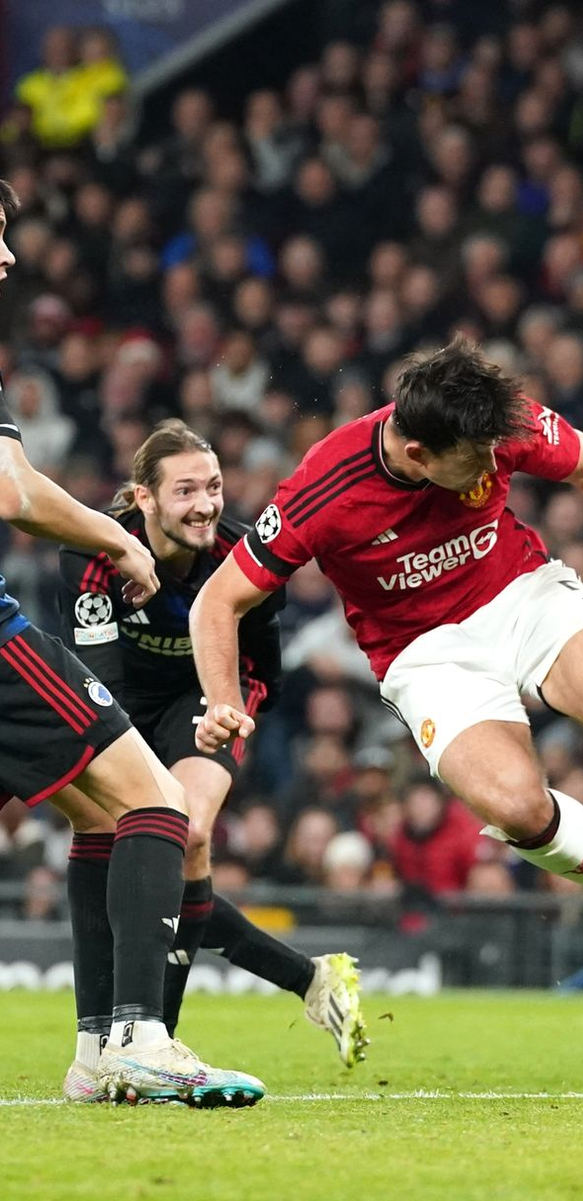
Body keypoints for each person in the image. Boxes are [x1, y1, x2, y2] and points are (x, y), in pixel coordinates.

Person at [190, 338, 583, 969]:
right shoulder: (326, 489)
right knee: (518, 809)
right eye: (475, 463)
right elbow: (217, 601)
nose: (492, 468)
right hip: (424, 654)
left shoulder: (490, 421)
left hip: (521, 593)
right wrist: (222, 698)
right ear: (417, 452)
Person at [0, 178, 262, 1106]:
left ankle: (92, 1049)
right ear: (146, 494)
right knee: (152, 802)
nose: (7, 258)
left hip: (177, 705)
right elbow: (14, 490)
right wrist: (112, 536)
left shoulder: (236, 561)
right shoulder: (109, 565)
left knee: (98, 813)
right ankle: (140, 1037)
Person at [58, 419, 367, 1092]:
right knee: (127, 840)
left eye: (216, 486)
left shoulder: (242, 557)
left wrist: (231, 710)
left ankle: (143, 1048)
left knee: (186, 831)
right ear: (143, 498)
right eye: (186, 489)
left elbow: (265, 667)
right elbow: (97, 677)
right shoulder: (93, 554)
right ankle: (307, 977)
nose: (206, 503)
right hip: (114, 698)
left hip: (207, 698)